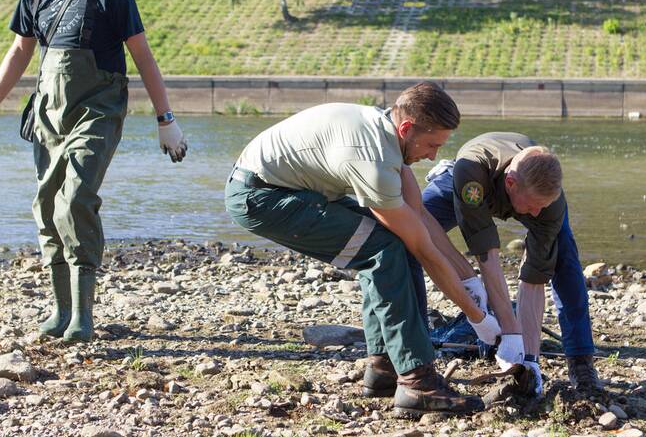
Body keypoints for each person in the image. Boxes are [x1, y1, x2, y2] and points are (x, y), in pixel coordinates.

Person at [0, 0, 187, 343]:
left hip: (98, 109)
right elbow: (20, 52)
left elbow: (143, 58)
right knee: (47, 205)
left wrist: (166, 120)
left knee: (76, 198)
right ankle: (61, 309)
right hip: (49, 111)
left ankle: (83, 315)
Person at [224, 82, 502, 417]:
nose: (433, 156)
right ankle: (418, 381)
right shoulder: (373, 159)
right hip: (261, 198)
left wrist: (469, 280)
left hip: (287, 188)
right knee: (383, 251)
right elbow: (424, 250)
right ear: (407, 128)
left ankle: (385, 368)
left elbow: (419, 216)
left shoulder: (386, 133)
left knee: (391, 245)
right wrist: (479, 319)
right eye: (431, 145)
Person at [410, 133, 605, 399]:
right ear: (511, 183)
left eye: (542, 206)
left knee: (565, 258)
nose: (537, 214)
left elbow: (533, 279)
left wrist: (529, 357)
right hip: (468, 182)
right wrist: (506, 325)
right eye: (535, 207)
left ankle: (581, 361)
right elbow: (486, 255)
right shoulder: (471, 173)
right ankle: (412, 351)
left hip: (527, 188)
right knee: (409, 231)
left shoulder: (547, 205)